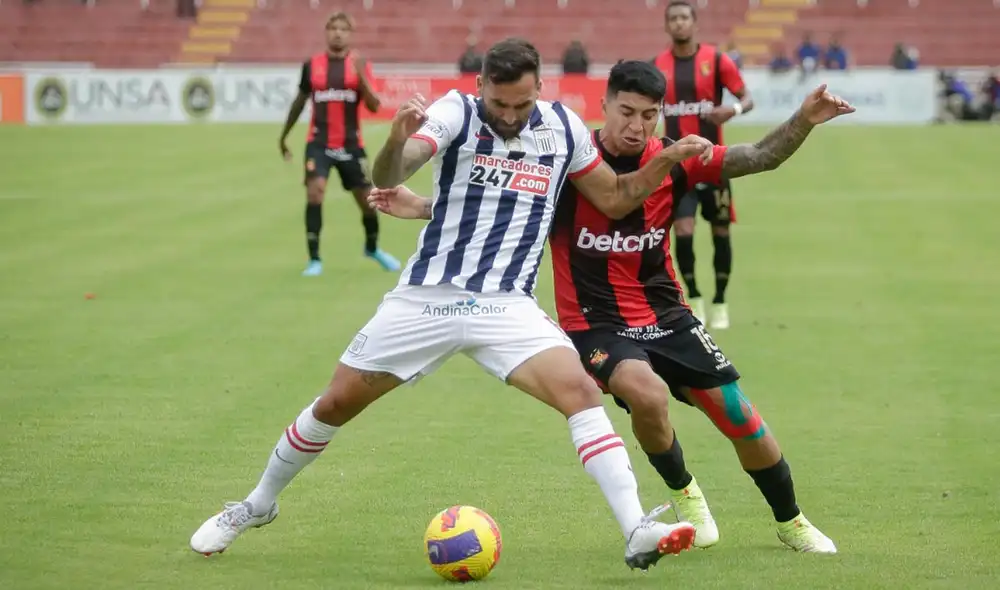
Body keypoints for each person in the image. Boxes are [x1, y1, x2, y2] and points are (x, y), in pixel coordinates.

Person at [191, 38, 723, 571]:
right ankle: (257, 504)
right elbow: (390, 174)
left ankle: (635, 529)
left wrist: (667, 161)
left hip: (506, 305)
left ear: (539, 88)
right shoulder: (455, 112)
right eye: (499, 104)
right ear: (480, 88)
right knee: (334, 404)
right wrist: (396, 144)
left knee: (583, 393)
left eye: (521, 104)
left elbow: (613, 197)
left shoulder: (564, 128)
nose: (510, 116)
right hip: (427, 297)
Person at [370, 61, 852, 554]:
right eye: (626, 112)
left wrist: (804, 119)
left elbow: (759, 156)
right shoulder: (570, 159)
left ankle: (792, 522)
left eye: (649, 115)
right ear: (604, 105)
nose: (636, 126)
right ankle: (686, 493)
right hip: (594, 324)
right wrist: (426, 205)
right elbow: (502, 199)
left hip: (667, 315)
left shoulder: (674, 157)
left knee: (738, 415)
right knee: (647, 395)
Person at [653, 0, 753, 330]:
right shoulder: (658, 66)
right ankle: (693, 296)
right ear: (667, 26)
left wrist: (732, 111)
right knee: (682, 231)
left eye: (685, 18)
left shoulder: (717, 60)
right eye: (673, 19)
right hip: (679, 167)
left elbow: (746, 98)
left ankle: (720, 300)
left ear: (695, 24)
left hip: (715, 165)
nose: (679, 23)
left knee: (720, 232)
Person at [278, 11, 401, 277]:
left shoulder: (359, 64)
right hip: (319, 143)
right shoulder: (312, 65)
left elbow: (374, 105)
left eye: (343, 29)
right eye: (333, 28)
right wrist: (284, 137)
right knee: (315, 192)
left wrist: (361, 78)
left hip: (351, 145)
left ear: (350, 34)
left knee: (368, 202)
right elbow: (299, 102)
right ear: (326, 32)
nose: (337, 33)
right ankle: (315, 260)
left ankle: (372, 248)